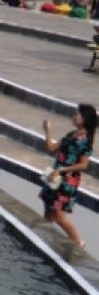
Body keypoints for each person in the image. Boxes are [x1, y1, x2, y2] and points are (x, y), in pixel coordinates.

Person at [39, 106, 94, 248]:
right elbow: (51, 149)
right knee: (48, 211)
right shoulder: (71, 134)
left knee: (58, 215)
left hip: (67, 181)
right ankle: (42, 240)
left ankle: (79, 243)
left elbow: (83, 165)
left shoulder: (86, 140)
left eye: (78, 113)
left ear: (84, 119)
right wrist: (47, 131)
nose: (74, 115)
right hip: (55, 178)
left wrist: (63, 170)